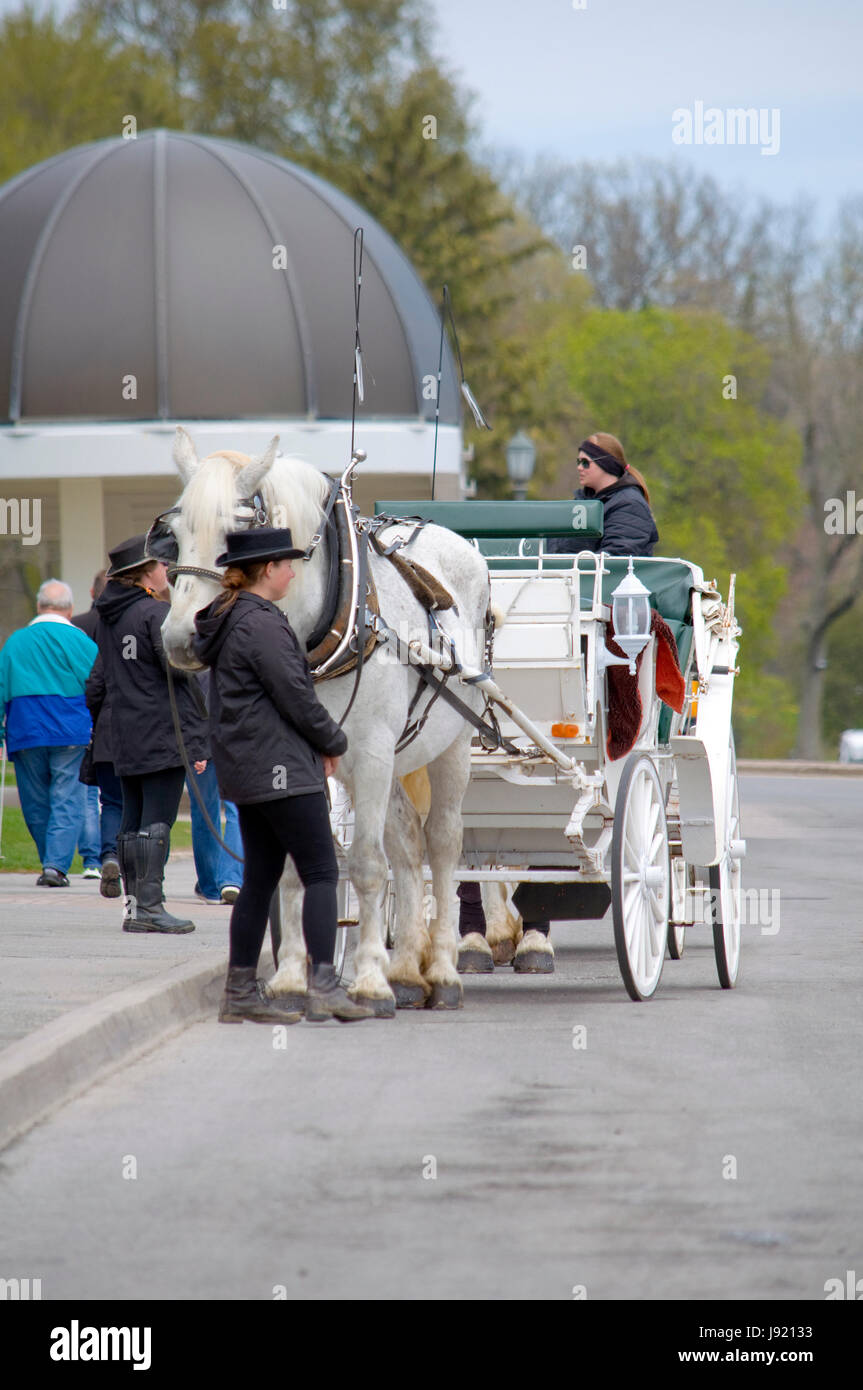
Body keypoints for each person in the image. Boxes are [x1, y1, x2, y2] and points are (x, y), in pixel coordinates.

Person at [459, 432, 660, 970]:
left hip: (590, 626)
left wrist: (562, 578)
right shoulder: (581, 507)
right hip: (554, 619)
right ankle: (480, 925)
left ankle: (534, 927)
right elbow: (551, 556)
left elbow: (615, 568)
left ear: (607, 465)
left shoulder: (628, 507)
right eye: (577, 460)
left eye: (585, 461)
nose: (578, 468)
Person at [193, 526, 373, 1024]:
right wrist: (333, 742)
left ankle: (239, 993)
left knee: (259, 880)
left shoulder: (233, 618)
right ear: (267, 569)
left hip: (251, 768)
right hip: (280, 768)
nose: (293, 573)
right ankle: (324, 987)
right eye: (287, 564)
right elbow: (296, 695)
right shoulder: (261, 624)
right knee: (321, 872)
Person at [94, 535, 208, 933]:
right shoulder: (155, 613)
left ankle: (134, 908)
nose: (167, 571)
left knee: (132, 822)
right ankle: (151, 907)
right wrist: (198, 739)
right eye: (162, 565)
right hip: (161, 732)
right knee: (157, 821)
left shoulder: (111, 617)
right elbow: (181, 677)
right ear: (145, 573)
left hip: (125, 732)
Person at [0, 579, 97, 886]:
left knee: (35, 801)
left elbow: (1, 687)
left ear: (39, 606)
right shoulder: (81, 641)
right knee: (68, 798)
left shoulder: (15, 642)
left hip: (25, 728)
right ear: (69, 609)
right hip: (71, 729)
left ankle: (49, 861)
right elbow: (97, 684)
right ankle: (55, 866)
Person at [73, 568, 123, 893]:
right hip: (140, 731)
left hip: (101, 727)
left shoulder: (80, 625)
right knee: (138, 802)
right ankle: (139, 866)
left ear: (93, 592)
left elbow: (93, 684)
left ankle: (106, 855)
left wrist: (94, 717)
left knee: (107, 801)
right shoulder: (135, 623)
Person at [188, 669, 243, 905]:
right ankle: (231, 878)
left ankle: (210, 885)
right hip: (235, 740)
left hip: (198, 740)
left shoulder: (190, 660)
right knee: (236, 811)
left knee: (204, 813)